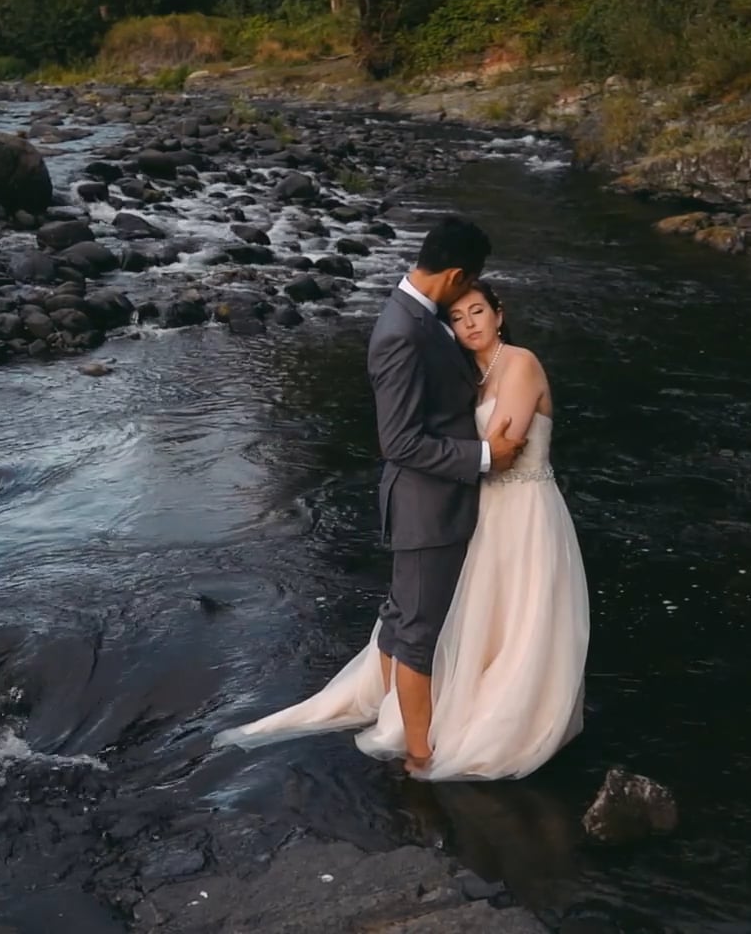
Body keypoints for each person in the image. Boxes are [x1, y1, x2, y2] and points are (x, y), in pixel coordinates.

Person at [214, 224, 590, 782]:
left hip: (477, 508)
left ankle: (426, 717)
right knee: (416, 632)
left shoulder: (434, 324)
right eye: (463, 304)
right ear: (457, 275)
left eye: (478, 311)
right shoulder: (401, 330)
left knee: (422, 621)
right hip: (432, 505)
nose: (467, 322)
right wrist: (486, 458)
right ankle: (418, 756)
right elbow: (401, 442)